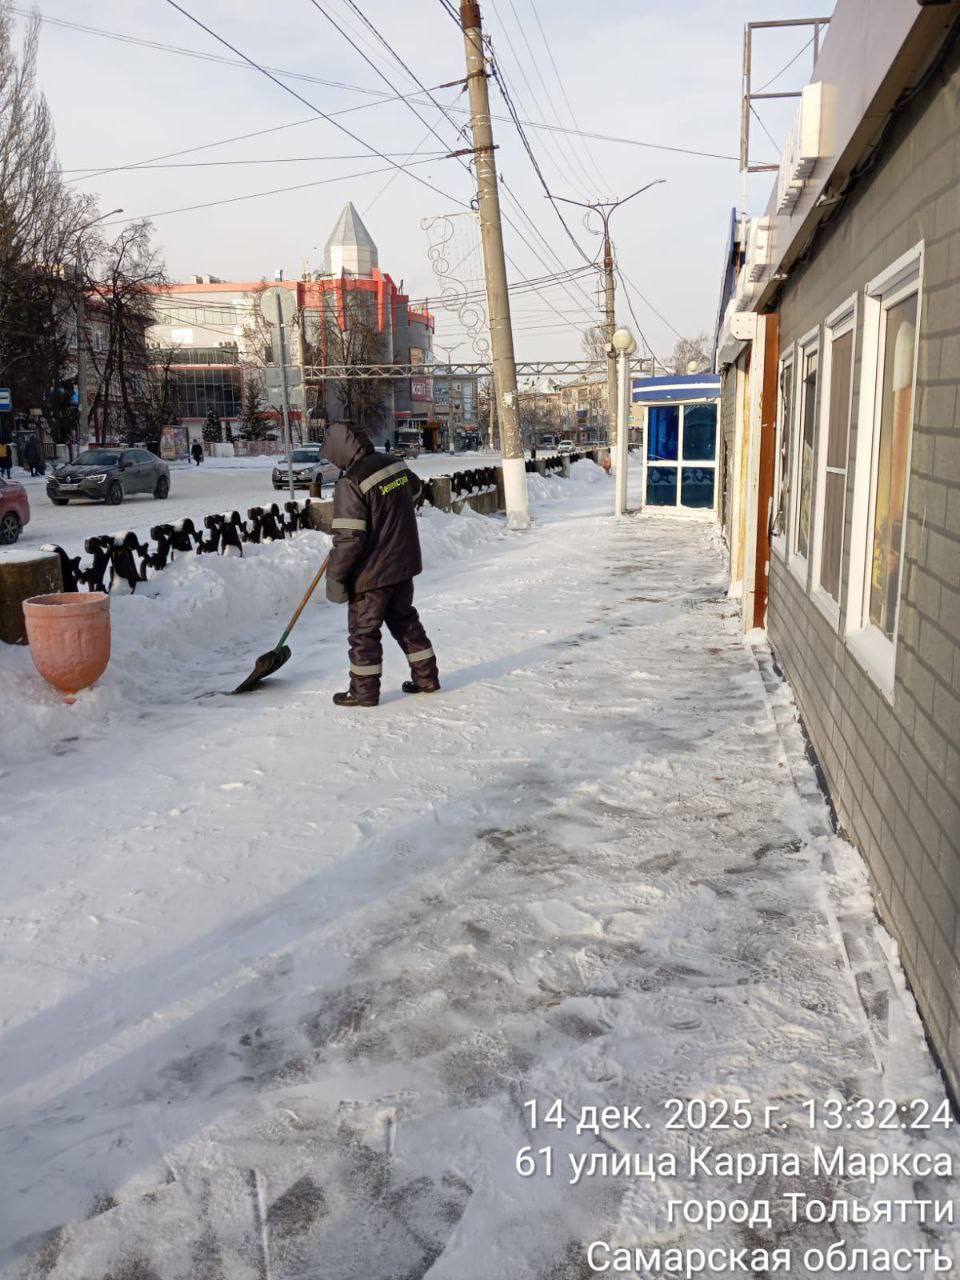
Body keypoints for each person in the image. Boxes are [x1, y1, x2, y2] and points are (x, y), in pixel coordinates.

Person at [323, 421, 439, 708]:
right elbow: (414, 491)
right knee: (406, 622)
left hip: (371, 574)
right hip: (402, 563)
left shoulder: (350, 482)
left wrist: (335, 577)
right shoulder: (393, 464)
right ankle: (427, 678)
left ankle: (363, 693)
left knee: (364, 634)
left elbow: (349, 539)